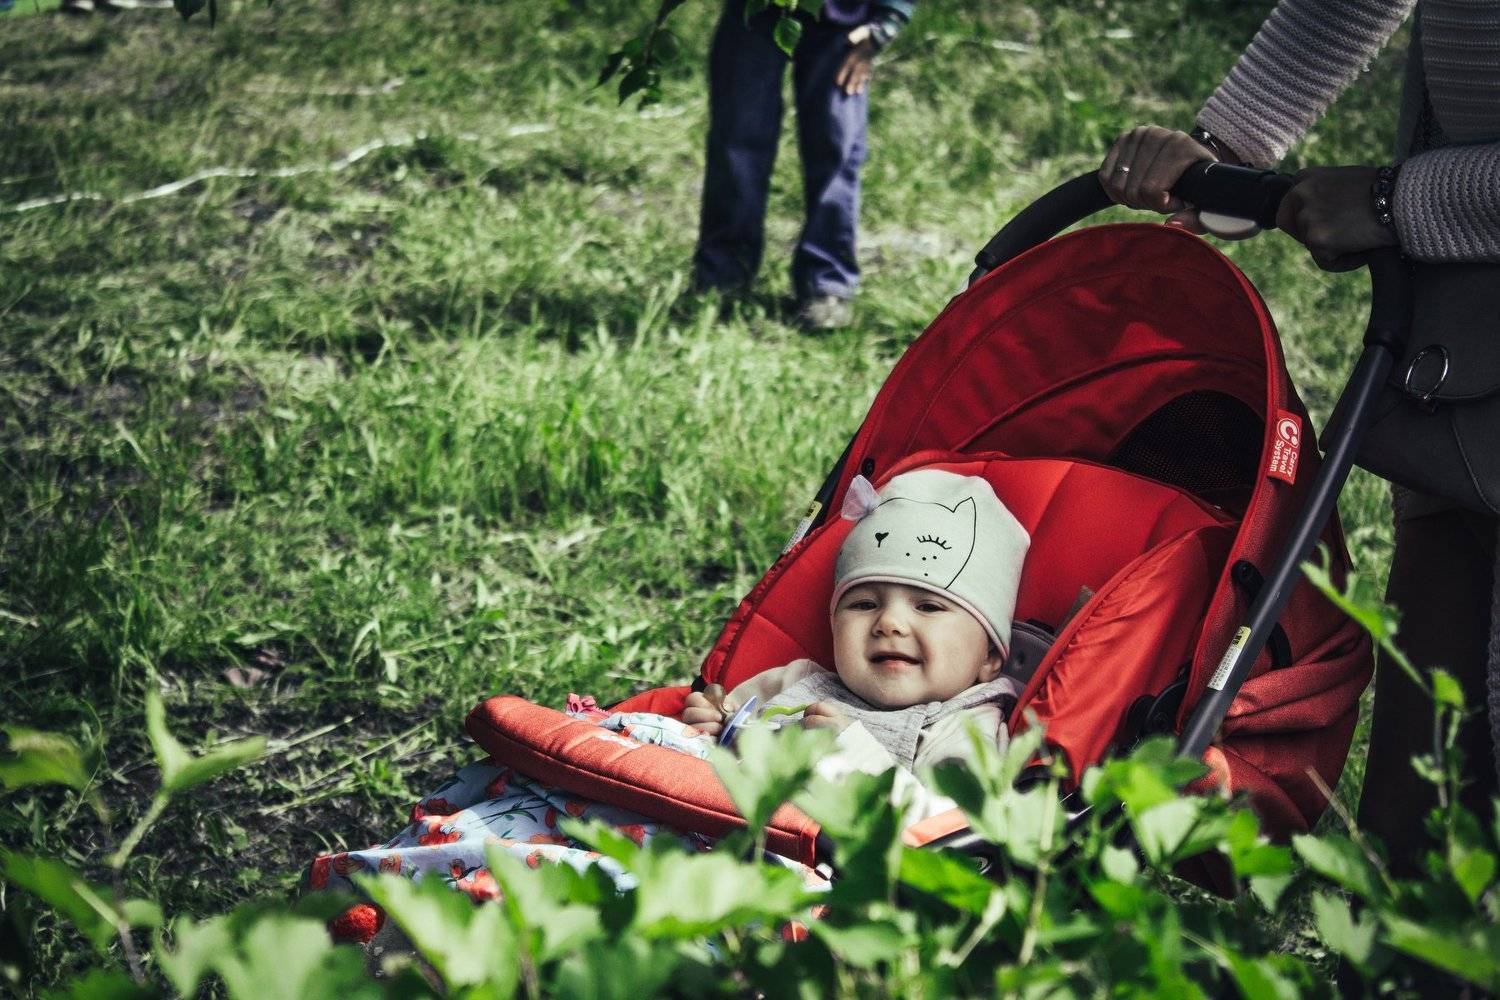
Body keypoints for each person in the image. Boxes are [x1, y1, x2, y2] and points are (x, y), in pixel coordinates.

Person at [1098, 0, 1500, 877]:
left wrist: (1401, 200)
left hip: (1457, 247)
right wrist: (1228, 148)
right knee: (1414, 803)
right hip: (1464, 342)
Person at [682, 468, 1031, 774]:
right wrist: (713, 726)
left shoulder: (966, 729)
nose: (889, 622)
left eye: (928, 607)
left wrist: (858, 759)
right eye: (864, 604)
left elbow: (949, 821)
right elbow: (722, 738)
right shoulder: (792, 682)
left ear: (989, 657)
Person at [691, 0, 916, 330]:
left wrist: (889, 20)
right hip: (752, 11)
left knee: (836, 146)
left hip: (844, 20)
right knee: (737, 139)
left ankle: (826, 284)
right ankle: (721, 279)